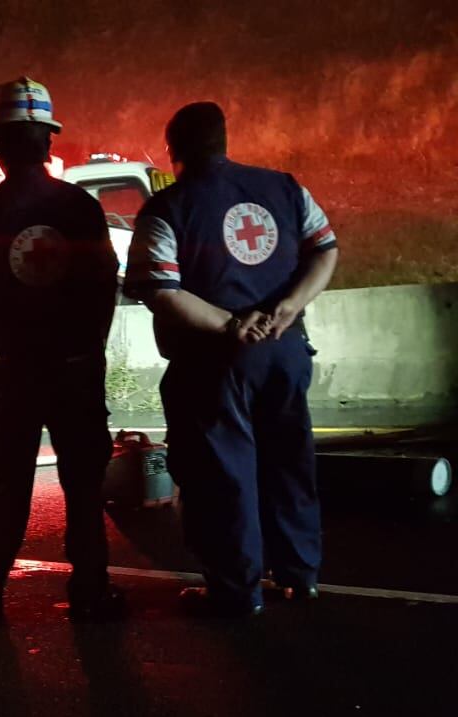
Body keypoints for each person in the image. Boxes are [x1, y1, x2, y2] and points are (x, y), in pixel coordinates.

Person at [124, 101, 339, 616]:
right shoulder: (286, 188)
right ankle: (300, 575)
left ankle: (236, 591)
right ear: (224, 141)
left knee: (224, 476)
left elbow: (162, 291)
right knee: (289, 463)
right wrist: (287, 308)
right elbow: (325, 250)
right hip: (285, 352)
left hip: (214, 364)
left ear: (172, 150)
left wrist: (231, 326)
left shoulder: (167, 209)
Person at [0, 77, 123, 621]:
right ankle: (91, 590)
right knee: (84, 485)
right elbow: (105, 287)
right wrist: (90, 350)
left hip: (16, 374)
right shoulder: (82, 207)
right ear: (48, 141)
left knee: (7, 484)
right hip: (77, 370)